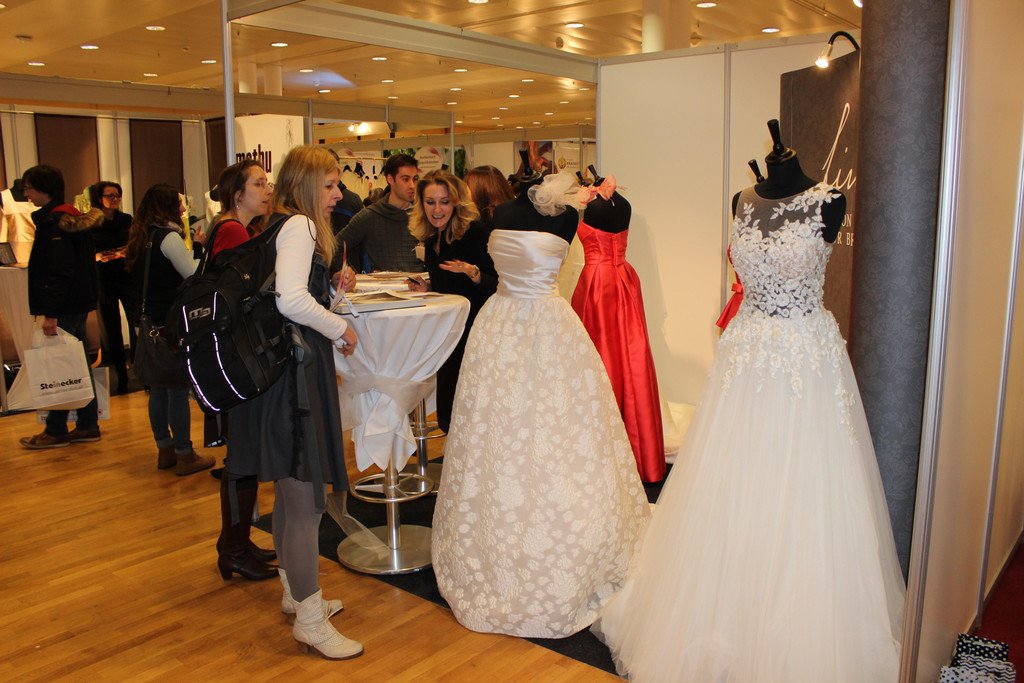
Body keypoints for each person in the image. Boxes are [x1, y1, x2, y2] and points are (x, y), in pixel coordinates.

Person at [591, 145, 904, 681]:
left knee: (803, 486)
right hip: (746, 355)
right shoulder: (742, 199)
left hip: (804, 358)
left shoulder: (830, 200)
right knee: (735, 481)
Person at [431, 171, 650, 638]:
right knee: (499, 433)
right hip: (503, 325)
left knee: (554, 431)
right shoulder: (500, 213)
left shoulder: (566, 215)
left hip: (540, 327)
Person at [225, 145, 362, 660]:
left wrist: (330, 291)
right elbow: (290, 299)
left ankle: (296, 593)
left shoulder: (277, 225)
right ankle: (309, 618)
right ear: (306, 185)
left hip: (280, 379)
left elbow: (291, 295)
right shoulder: (300, 226)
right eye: (329, 185)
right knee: (305, 502)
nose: (338, 194)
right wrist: (340, 326)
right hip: (295, 384)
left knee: (289, 495)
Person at [200, 160, 279, 582]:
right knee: (242, 457)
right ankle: (233, 549)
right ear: (237, 194)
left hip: (227, 354)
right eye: (259, 184)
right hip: (236, 357)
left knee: (241, 455)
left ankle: (235, 542)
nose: (267, 190)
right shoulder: (233, 232)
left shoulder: (228, 229)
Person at [571, 176, 666, 483]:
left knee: (605, 358)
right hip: (624, 278)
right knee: (630, 357)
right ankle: (640, 453)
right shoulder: (621, 204)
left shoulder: (594, 205)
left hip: (597, 285)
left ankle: (605, 458)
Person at [125, 184, 215, 476]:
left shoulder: (140, 237)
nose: (184, 209)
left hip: (147, 322)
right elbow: (192, 273)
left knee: (158, 388)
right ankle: (185, 453)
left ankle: (164, 449)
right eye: (179, 203)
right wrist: (199, 246)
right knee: (177, 388)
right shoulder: (168, 237)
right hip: (169, 323)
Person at [406, 170, 497, 433]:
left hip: (474, 330)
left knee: (468, 404)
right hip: (449, 330)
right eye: (430, 202)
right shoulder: (431, 236)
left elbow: (496, 284)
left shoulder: (475, 233)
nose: (437, 209)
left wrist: (471, 271)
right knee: (449, 405)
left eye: (444, 202)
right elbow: (449, 282)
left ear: (456, 202)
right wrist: (429, 287)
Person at [19, 165, 103, 450]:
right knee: (75, 364)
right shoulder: (67, 220)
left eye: (29, 187)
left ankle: (56, 430)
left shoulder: (56, 224)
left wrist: (51, 313)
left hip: (65, 306)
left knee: (61, 366)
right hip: (75, 303)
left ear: (43, 188)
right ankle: (87, 425)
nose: (27, 193)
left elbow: (59, 272)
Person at [339, 153, 424, 273]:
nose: (412, 185)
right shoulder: (370, 215)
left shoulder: (424, 214)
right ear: (390, 179)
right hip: (383, 284)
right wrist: (351, 274)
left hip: (420, 283)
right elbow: (336, 247)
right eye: (405, 179)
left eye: (415, 179)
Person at [89, 181, 135, 395]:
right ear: (100, 199)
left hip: (126, 276)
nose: (115, 199)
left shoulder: (126, 220)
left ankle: (140, 370)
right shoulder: (91, 222)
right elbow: (90, 253)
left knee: (136, 323)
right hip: (103, 280)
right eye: (110, 196)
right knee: (112, 328)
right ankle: (121, 374)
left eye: (117, 195)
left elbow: (132, 245)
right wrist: (111, 253)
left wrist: (111, 253)